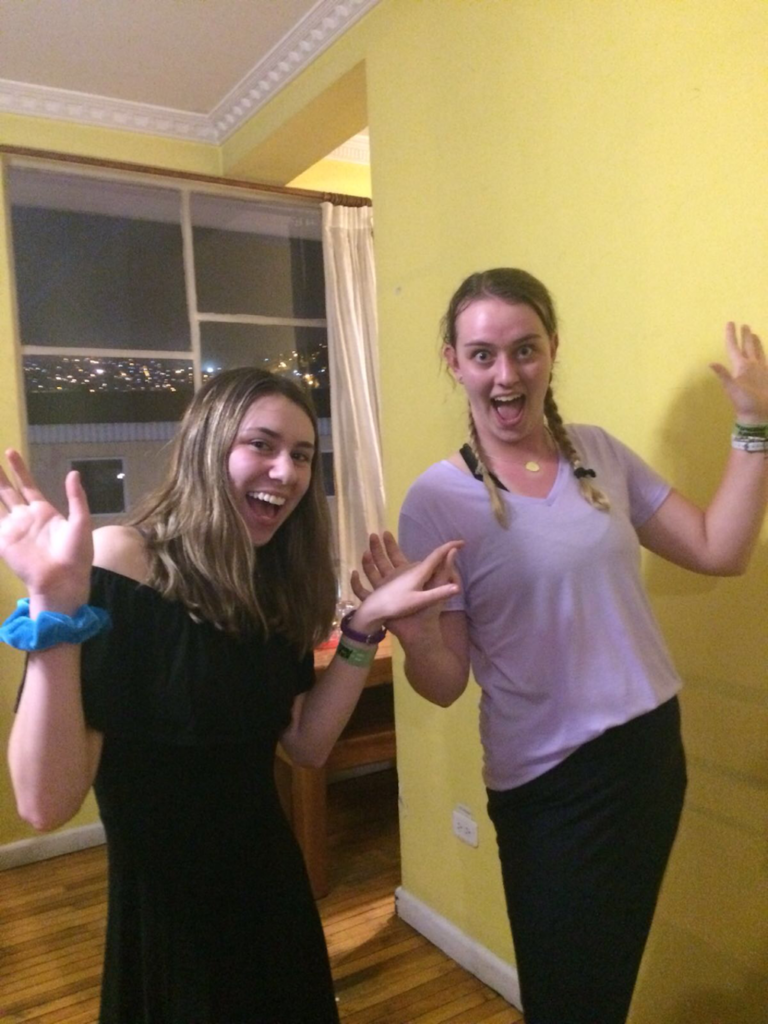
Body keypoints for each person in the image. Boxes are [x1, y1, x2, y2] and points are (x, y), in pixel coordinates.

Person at [352, 268, 768, 1024]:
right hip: (545, 781)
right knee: (566, 994)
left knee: (607, 980)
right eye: (482, 354)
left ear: (552, 350)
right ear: (454, 363)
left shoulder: (600, 453)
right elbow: (444, 684)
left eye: (525, 349)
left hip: (647, 754)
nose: (506, 374)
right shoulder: (436, 500)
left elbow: (719, 547)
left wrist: (754, 425)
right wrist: (413, 633)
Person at [0, 367, 461, 1024]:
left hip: (273, 900)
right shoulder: (118, 563)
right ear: (208, 445)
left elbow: (306, 745)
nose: (286, 471)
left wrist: (364, 626)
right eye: (262, 444)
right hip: (168, 929)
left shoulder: (274, 584)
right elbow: (45, 804)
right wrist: (54, 606)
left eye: (302, 454)